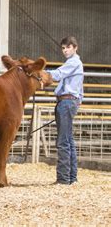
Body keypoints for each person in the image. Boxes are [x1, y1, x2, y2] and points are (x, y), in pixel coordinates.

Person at [46, 36, 83, 185]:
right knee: (68, 140)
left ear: (75, 47)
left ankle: (63, 179)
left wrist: (41, 73)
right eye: (63, 48)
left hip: (66, 101)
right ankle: (71, 178)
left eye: (68, 47)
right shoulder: (75, 63)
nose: (65, 50)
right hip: (68, 101)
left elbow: (58, 74)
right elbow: (80, 89)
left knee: (63, 141)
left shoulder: (73, 62)